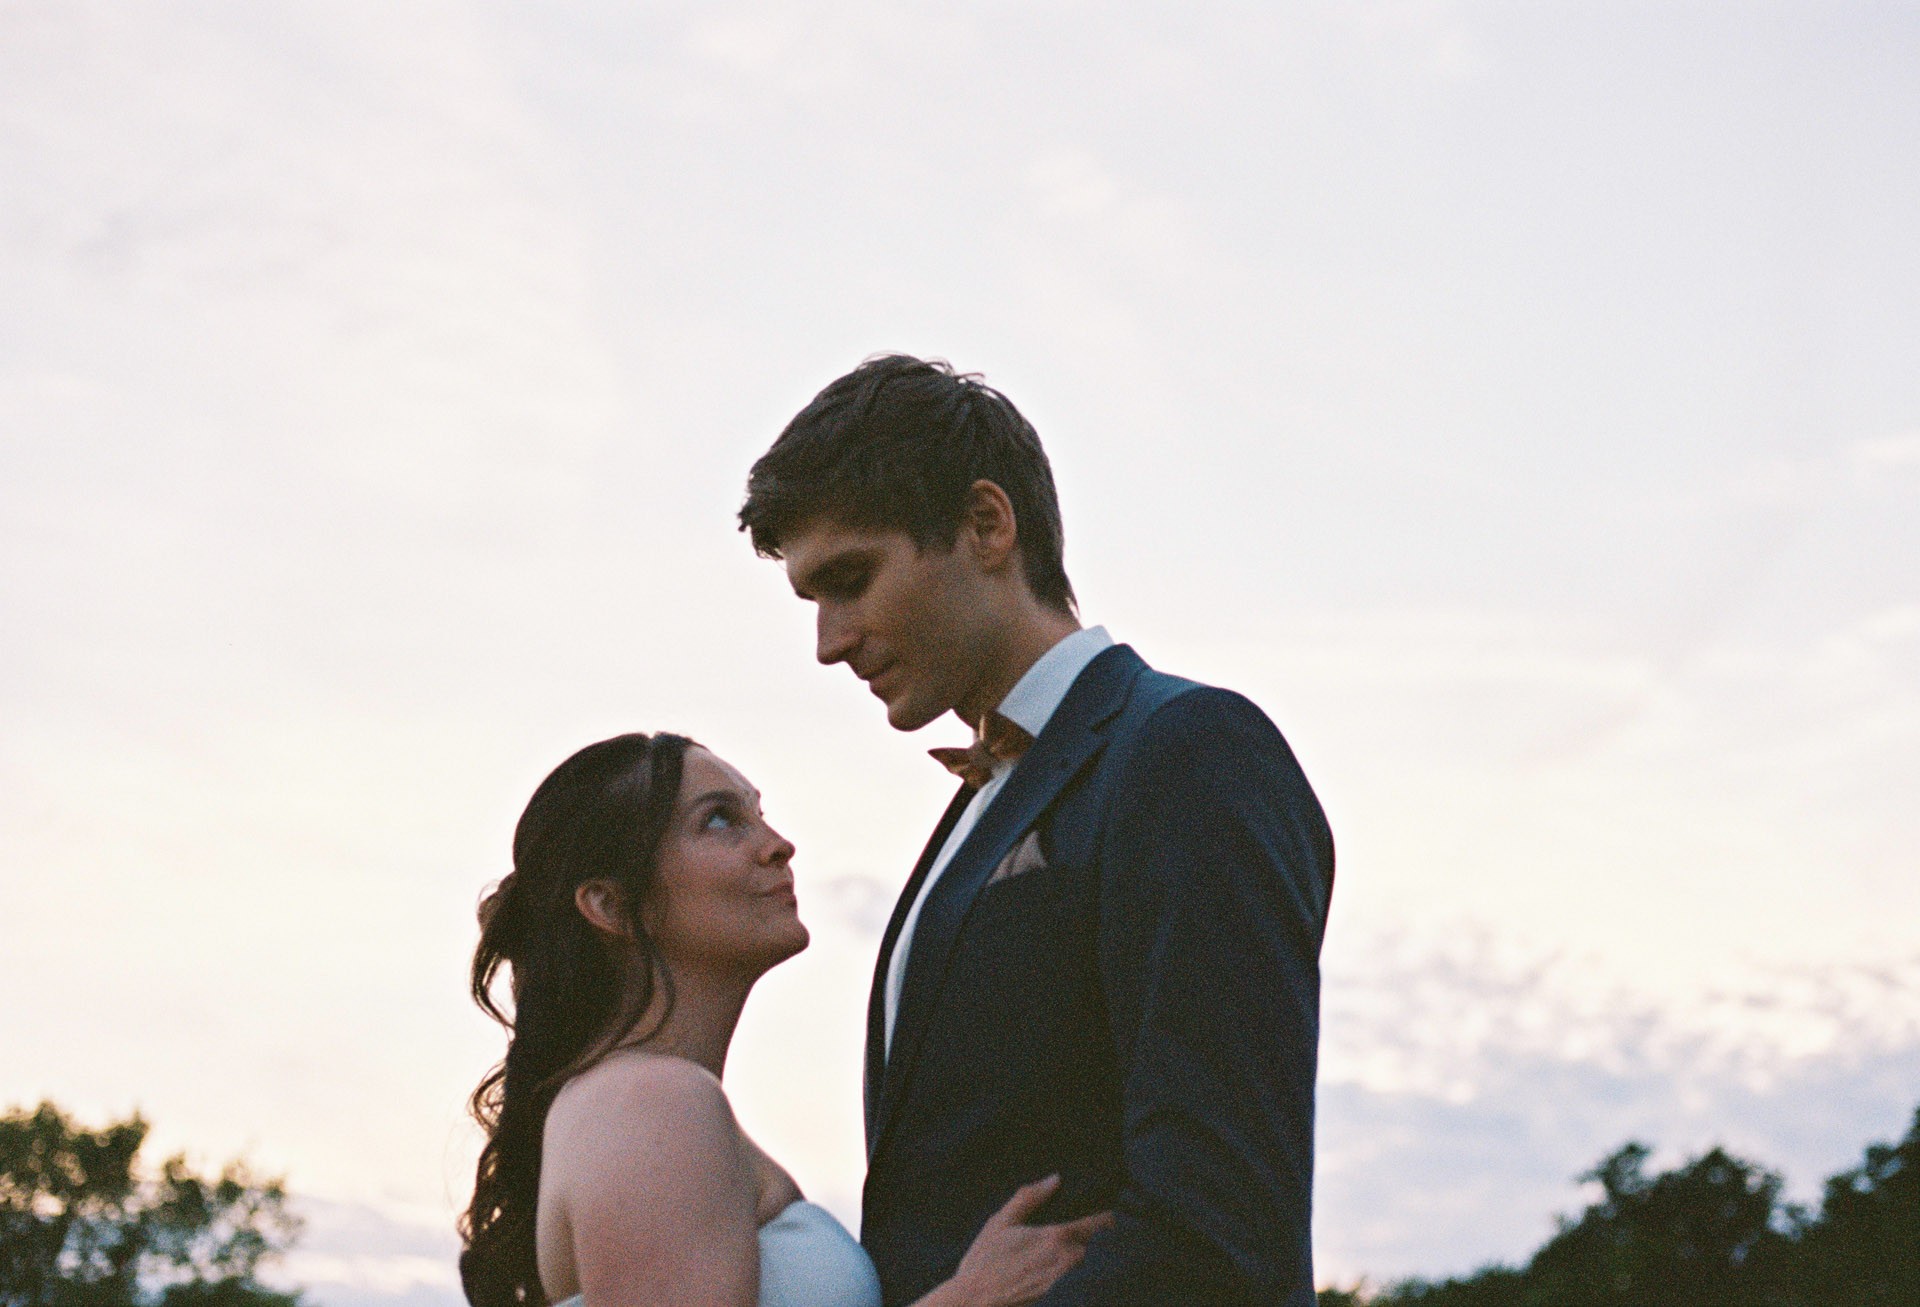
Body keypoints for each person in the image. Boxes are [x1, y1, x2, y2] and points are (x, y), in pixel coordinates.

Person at [739, 355, 1336, 1306]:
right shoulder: (976, 805)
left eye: (851, 578)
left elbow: (1221, 1228)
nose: (830, 639)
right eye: (813, 600)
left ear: (987, 524)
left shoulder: (1183, 750)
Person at [457, 731, 1110, 1307]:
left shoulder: (645, 1101)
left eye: (758, 814)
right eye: (718, 821)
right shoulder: (649, 1100)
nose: (778, 844)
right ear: (611, 905)